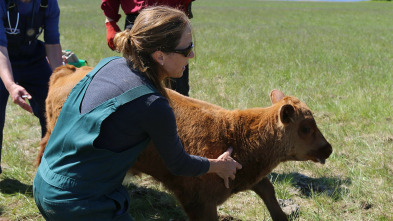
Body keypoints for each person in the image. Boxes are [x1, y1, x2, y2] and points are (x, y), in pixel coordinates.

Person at [33, 6, 242, 220]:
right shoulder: (153, 104)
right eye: (186, 49)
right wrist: (219, 166)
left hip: (45, 182)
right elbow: (179, 164)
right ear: (160, 56)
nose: (192, 55)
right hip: (78, 201)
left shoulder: (110, 63)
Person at [0, 0, 62, 174]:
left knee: (54, 106)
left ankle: (50, 168)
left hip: (32, 58)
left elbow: (52, 43)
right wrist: (11, 85)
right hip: (2, 57)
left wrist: (60, 82)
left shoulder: (48, 3)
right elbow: (0, 47)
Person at [102, 0, 194, 96]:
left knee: (178, 90)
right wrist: (110, 20)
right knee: (136, 86)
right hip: (140, 22)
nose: (192, 55)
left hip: (173, 20)